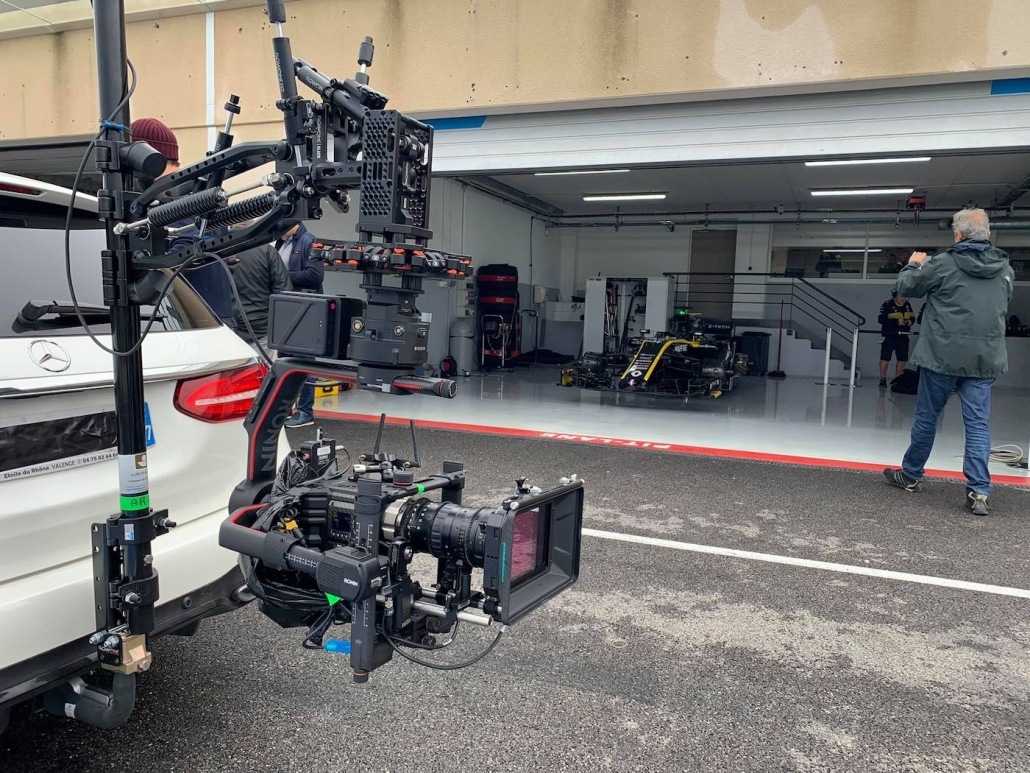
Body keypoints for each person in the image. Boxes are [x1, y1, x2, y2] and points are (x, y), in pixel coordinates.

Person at [883, 208, 1014, 516]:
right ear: (988, 234)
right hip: (984, 358)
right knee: (978, 424)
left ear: (958, 234)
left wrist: (914, 263)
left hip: (942, 356)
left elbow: (906, 287)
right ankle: (979, 490)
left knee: (928, 418)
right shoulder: (1005, 268)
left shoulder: (944, 264)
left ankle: (911, 475)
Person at [129, 117, 236, 328]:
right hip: (211, 320)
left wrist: (139, 285)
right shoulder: (196, 194)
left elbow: (185, 251)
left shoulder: (175, 201)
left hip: (192, 326)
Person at [276, 223, 324, 428]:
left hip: (305, 307)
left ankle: (305, 411)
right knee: (285, 359)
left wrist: (283, 277)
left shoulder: (308, 241)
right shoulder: (282, 243)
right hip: (286, 307)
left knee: (305, 361)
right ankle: (287, 410)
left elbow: (316, 275)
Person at [228, 241, 289, 355]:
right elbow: (283, 292)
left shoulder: (218, 252)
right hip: (261, 330)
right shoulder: (267, 251)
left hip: (227, 330)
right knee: (261, 371)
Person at [877, 290, 915, 387]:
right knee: (885, 358)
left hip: (903, 336)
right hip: (890, 335)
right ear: (895, 296)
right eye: (902, 297)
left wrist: (910, 322)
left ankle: (898, 380)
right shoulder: (887, 304)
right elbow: (881, 319)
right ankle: (882, 379)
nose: (904, 299)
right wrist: (896, 322)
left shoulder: (907, 305)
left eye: (906, 297)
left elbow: (913, 317)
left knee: (902, 359)